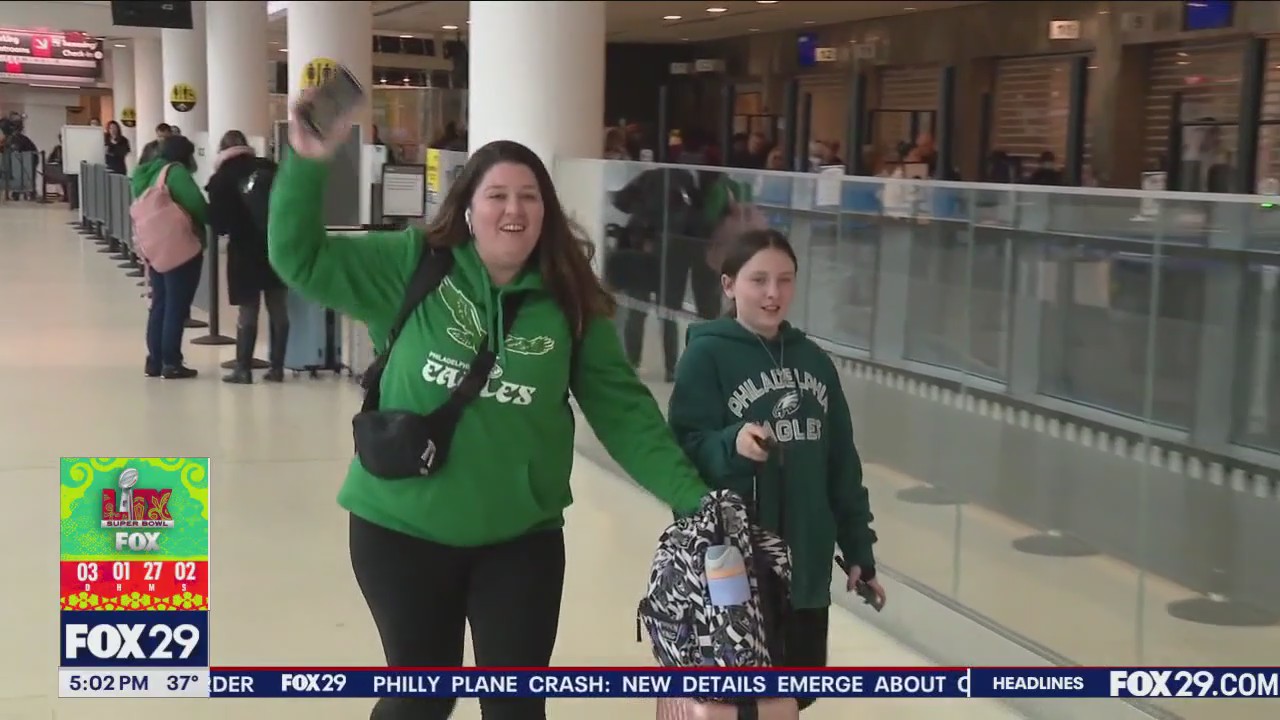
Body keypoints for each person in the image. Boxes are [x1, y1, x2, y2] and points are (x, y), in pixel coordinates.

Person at [268, 91, 711, 720]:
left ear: (546, 212)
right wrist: (308, 163)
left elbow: (625, 412)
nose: (513, 209)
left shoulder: (571, 299)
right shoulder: (414, 264)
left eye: (529, 196)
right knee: (421, 701)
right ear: (469, 209)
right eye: (497, 195)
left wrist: (694, 500)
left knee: (516, 708)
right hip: (401, 529)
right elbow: (300, 257)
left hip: (520, 538)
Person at [666, 228, 885, 711]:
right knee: (738, 700)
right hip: (735, 568)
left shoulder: (815, 362)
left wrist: (858, 550)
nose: (773, 293)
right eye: (759, 280)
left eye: (785, 280)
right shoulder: (706, 356)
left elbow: (841, 465)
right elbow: (684, 448)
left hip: (805, 568)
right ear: (729, 285)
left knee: (794, 697)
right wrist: (732, 443)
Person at [206, 130, 289, 384]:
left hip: (243, 250)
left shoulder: (221, 179)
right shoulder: (270, 168)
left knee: (248, 309)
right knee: (278, 308)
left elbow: (218, 223)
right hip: (276, 247)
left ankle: (243, 368)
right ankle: (277, 368)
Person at [132, 134, 207, 380]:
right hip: (179, 247)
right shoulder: (175, 172)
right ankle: (172, 362)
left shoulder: (145, 173)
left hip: (153, 246)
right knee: (177, 305)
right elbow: (196, 204)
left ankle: (154, 361)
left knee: (160, 303)